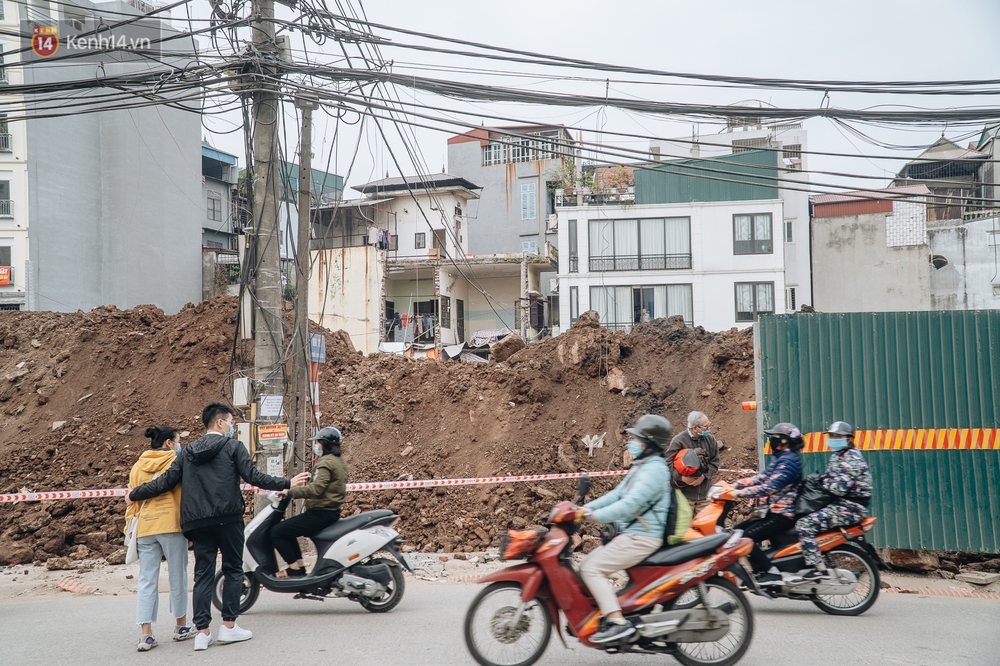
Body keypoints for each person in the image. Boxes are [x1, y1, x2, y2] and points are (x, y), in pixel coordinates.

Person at [128, 403, 309, 652]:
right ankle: (229, 627)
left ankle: (202, 633)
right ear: (220, 423)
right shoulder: (233, 446)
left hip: (198, 523)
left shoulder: (187, 452)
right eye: (231, 421)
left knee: (203, 574)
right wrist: (286, 481)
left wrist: (135, 493)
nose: (233, 426)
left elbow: (166, 483)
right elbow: (254, 476)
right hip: (228, 519)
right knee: (233, 569)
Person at [578, 414, 672, 644]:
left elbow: (628, 505)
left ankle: (617, 621)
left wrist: (592, 517)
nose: (633, 443)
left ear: (649, 443)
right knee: (585, 565)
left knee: (591, 568)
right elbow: (616, 495)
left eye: (638, 439)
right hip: (633, 534)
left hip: (642, 537)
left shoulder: (655, 471)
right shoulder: (642, 467)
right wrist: (579, 510)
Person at [126, 426, 194, 651]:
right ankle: (181, 627)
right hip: (171, 524)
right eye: (177, 440)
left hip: (145, 526)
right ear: (168, 443)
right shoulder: (176, 461)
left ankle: (146, 635)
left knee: (147, 579)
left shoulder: (137, 466)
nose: (179, 444)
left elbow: (133, 499)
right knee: (178, 575)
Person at [795, 421, 872, 581]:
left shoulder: (852, 458)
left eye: (838, 436)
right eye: (831, 436)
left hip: (850, 508)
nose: (833, 439)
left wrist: (822, 481)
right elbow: (830, 481)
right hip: (839, 504)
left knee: (804, 525)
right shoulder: (837, 456)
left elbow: (838, 488)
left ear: (849, 439)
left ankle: (816, 568)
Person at [729, 423, 804, 585]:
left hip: (782, 514)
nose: (772, 440)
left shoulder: (788, 462)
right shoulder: (781, 458)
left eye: (775, 437)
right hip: (772, 511)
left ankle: (772, 572)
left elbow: (770, 487)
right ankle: (758, 569)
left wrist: (741, 493)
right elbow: (763, 477)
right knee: (737, 531)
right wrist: (738, 484)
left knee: (744, 536)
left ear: (785, 441)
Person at [270, 427, 349, 578]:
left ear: (325, 444)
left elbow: (315, 490)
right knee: (288, 530)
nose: (316, 446)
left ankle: (295, 569)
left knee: (277, 532)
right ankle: (298, 565)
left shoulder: (325, 463)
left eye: (318, 443)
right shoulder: (339, 462)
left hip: (320, 513)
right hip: (330, 512)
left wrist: (289, 492)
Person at [664, 411, 720, 514]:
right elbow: (667, 463)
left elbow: (715, 462)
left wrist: (704, 476)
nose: (709, 429)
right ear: (695, 428)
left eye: (709, 425)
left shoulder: (711, 440)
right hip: (684, 497)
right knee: (685, 529)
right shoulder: (679, 441)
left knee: (705, 528)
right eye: (706, 427)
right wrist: (682, 478)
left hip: (704, 496)